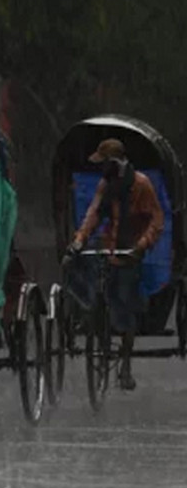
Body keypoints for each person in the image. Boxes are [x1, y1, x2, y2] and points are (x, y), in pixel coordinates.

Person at [63, 138, 164, 390]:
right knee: (93, 287)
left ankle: (126, 365)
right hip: (108, 247)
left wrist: (142, 244)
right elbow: (94, 214)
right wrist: (79, 240)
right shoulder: (105, 185)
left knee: (124, 306)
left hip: (130, 251)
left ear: (115, 162)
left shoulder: (141, 185)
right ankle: (93, 325)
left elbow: (156, 220)